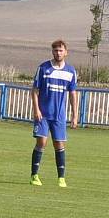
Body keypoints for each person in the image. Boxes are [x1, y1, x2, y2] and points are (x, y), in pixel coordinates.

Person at [30, 39, 79, 187]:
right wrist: (36, 109)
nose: (58, 53)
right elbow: (34, 91)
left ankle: (61, 178)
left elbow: (72, 94)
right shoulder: (43, 68)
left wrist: (75, 115)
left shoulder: (70, 71)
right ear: (52, 52)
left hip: (59, 116)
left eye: (60, 50)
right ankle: (34, 175)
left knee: (59, 144)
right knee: (42, 142)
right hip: (43, 114)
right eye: (55, 50)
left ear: (66, 52)